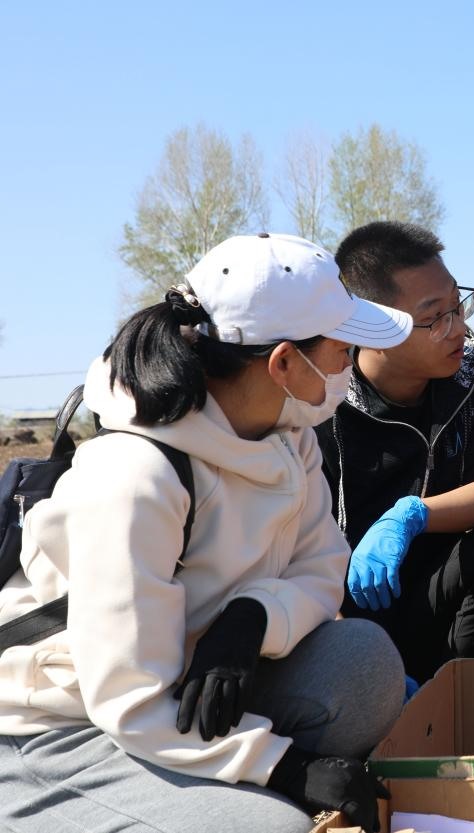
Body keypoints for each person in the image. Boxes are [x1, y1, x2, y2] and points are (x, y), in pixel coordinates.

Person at [0, 233, 414, 832]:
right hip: (62, 726)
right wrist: (281, 765)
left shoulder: (288, 436)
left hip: (178, 686)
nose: (349, 368)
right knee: (275, 828)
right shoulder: (134, 476)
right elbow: (127, 700)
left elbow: (323, 563)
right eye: (342, 350)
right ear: (283, 363)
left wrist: (254, 618)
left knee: (364, 664)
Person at [317, 221, 474, 685]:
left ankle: (463, 695)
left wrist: (414, 515)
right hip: (346, 614)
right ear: (374, 327)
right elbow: (294, 550)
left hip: (439, 596)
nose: (458, 328)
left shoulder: (469, 373)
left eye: (458, 305)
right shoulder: (325, 400)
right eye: (436, 317)